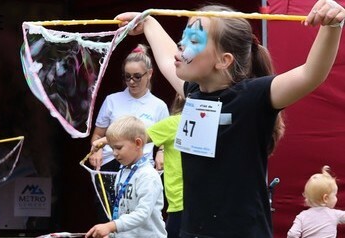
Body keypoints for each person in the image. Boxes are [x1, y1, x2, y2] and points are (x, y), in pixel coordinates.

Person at [115, 1, 345, 237]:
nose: (181, 46)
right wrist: (148, 23)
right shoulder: (194, 94)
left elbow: (310, 74)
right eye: (184, 38)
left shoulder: (254, 98)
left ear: (224, 60)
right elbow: (165, 60)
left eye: (194, 41)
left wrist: (332, 25)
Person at [89, 43, 169, 172]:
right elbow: (98, 135)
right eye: (127, 77)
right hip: (111, 163)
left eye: (137, 76)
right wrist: (97, 150)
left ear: (149, 73)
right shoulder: (112, 100)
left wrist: (161, 152)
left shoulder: (159, 106)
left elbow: (166, 138)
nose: (131, 81)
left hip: (143, 166)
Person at [85, 116, 167, 238]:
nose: (114, 153)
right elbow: (122, 211)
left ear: (138, 143)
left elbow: (142, 214)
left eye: (118, 147)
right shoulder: (122, 172)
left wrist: (110, 226)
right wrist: (112, 234)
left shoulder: (148, 176)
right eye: (112, 148)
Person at [146, 93, 185, 238]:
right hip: (203, 200)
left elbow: (136, 138)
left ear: (179, 98)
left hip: (179, 202)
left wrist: (106, 140)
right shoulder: (209, 122)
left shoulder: (173, 123)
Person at [287, 165, 345, 238]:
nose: (336, 198)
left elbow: (292, 234)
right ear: (326, 198)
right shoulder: (334, 214)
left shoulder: (302, 216)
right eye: (335, 195)